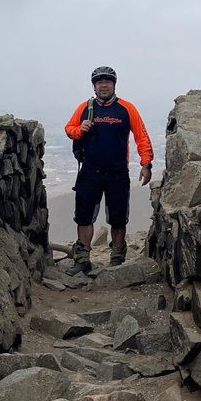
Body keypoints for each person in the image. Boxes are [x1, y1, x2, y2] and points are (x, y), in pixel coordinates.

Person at [64, 65, 153, 272]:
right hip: (89, 172)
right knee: (84, 216)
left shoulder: (127, 108)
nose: (104, 85)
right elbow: (69, 129)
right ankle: (82, 260)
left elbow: (142, 136)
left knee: (118, 218)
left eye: (108, 81)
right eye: (99, 82)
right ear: (94, 87)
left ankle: (117, 259)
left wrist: (146, 163)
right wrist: (80, 129)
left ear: (114, 84)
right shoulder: (84, 108)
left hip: (117, 173)